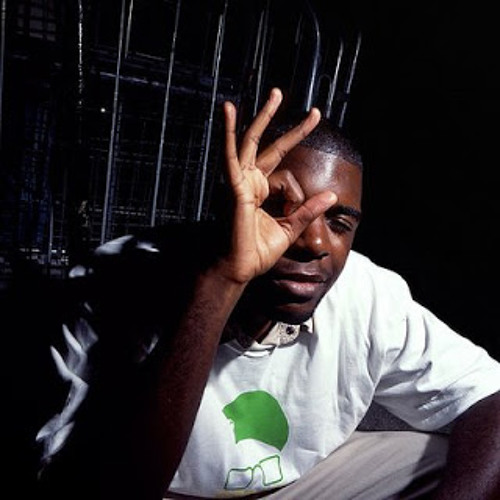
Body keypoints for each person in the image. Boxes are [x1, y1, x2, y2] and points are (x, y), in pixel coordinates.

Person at [35, 88, 500, 500]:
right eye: (279, 210)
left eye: (339, 223)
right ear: (226, 210)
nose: (314, 242)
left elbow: (488, 397)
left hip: (287, 487)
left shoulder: (367, 292)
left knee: (445, 459)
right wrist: (221, 282)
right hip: (164, 491)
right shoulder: (113, 283)